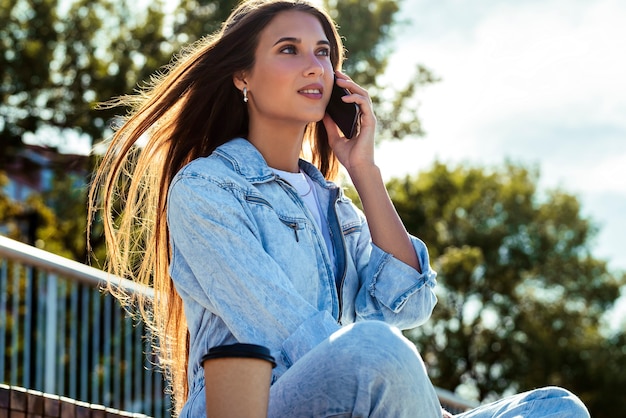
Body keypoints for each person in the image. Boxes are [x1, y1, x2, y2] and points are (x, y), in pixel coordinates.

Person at [88, 1, 591, 417]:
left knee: (555, 407)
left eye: (323, 53)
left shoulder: (334, 205)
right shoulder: (206, 189)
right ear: (243, 75)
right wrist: (390, 374)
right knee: (376, 348)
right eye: (289, 50)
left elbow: (407, 303)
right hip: (260, 406)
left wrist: (364, 172)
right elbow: (288, 333)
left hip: (351, 394)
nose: (314, 66)